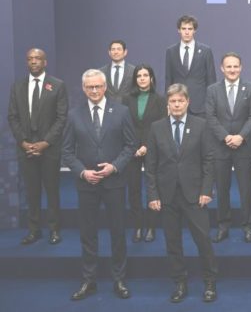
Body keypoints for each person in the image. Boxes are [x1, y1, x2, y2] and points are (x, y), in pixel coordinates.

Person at [62, 69, 136, 301]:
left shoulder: (122, 111)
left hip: (114, 182)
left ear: (105, 87)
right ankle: (89, 280)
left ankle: (119, 279)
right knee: (88, 234)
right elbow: (66, 150)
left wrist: (114, 167)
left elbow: (131, 144)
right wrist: (82, 172)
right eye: (89, 87)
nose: (94, 91)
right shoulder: (74, 115)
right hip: (87, 184)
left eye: (98, 86)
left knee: (117, 232)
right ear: (84, 89)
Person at [145, 83, 218, 303]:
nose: (177, 104)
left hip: (195, 195)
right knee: (172, 242)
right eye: (173, 101)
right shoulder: (156, 127)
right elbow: (150, 165)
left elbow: (208, 160)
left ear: (188, 102)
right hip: (166, 196)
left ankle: (210, 282)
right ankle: (179, 282)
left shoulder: (201, 125)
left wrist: (206, 190)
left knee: (203, 240)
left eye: (180, 100)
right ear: (168, 103)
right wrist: (153, 195)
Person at [7, 48, 68, 245]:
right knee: (32, 192)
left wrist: (45, 142)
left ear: (45, 62)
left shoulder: (57, 86)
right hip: (26, 149)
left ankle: (54, 230)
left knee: (51, 191)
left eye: (37, 58)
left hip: (49, 148)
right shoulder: (17, 86)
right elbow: (12, 117)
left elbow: (61, 118)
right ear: (27, 62)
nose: (33, 61)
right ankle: (34, 231)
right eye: (30, 59)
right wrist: (23, 142)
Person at [206, 52, 251, 243]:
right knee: (221, 189)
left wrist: (240, 137)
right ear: (222, 68)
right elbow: (210, 117)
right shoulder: (212, 90)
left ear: (241, 67)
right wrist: (226, 137)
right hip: (220, 146)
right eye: (228, 66)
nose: (232, 70)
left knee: (246, 190)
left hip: (244, 147)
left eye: (236, 66)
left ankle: (248, 226)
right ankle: (223, 226)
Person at [122, 64, 166, 243]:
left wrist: (147, 145)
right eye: (138, 75)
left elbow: (162, 125)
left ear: (151, 78)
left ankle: (151, 227)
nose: (142, 78)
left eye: (145, 75)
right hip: (131, 149)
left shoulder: (160, 99)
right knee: (133, 190)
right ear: (135, 79)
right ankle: (138, 226)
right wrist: (133, 146)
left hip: (152, 148)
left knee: (152, 188)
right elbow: (124, 124)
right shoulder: (126, 99)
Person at [164, 14, 216, 116]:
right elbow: (168, 79)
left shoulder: (206, 51)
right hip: (177, 104)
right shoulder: (171, 51)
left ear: (194, 30)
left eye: (190, 29)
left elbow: (211, 80)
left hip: (200, 106)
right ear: (178, 30)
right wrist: (168, 104)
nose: (187, 32)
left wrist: (211, 105)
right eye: (184, 29)